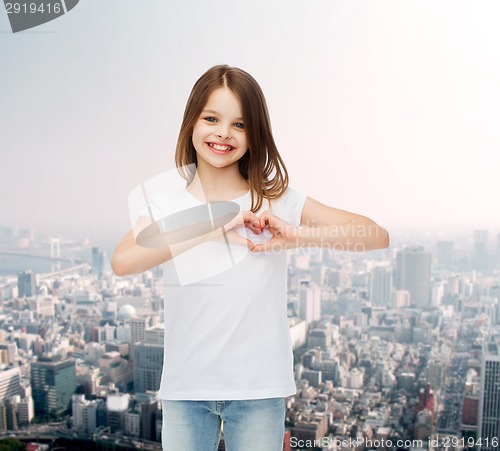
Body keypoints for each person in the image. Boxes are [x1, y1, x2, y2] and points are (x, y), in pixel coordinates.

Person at [111, 64, 389, 451]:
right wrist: (214, 222)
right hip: (187, 388)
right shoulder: (169, 205)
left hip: (259, 388)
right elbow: (123, 261)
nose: (223, 133)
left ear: (254, 134)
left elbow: (375, 235)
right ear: (191, 123)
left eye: (239, 124)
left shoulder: (277, 198)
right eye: (211, 118)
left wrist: (297, 235)